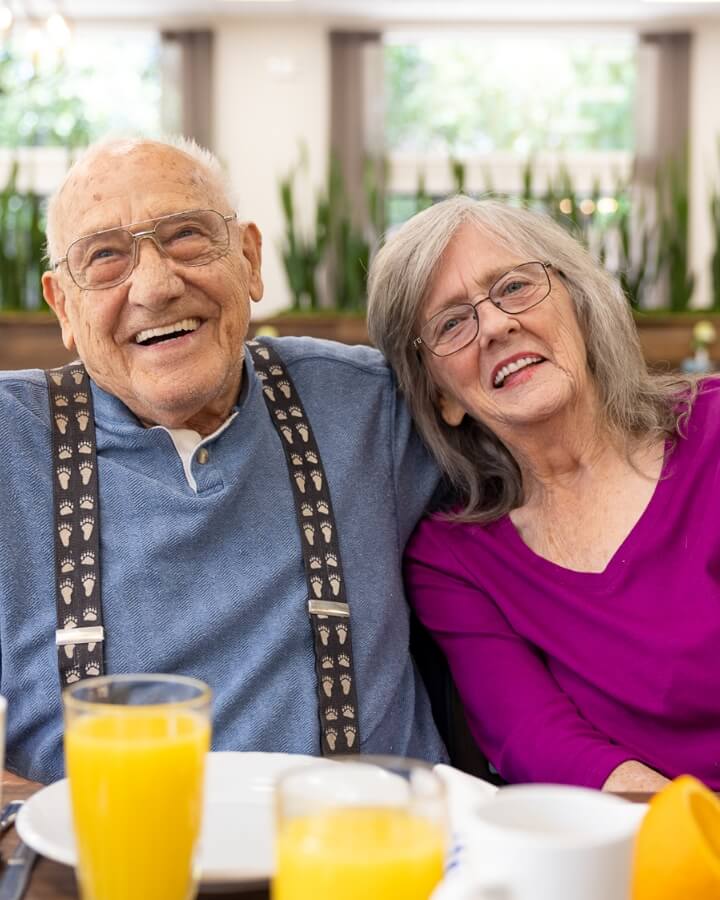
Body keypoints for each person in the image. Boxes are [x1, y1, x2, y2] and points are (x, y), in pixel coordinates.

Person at [0, 136, 446, 784]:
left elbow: (561, 471)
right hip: (100, 873)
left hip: (361, 857)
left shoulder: (371, 404)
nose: (154, 285)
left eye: (186, 236)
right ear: (63, 307)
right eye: (103, 257)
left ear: (250, 258)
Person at [367, 194, 720, 793]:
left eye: (513, 287)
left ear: (579, 306)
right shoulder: (454, 559)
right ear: (441, 398)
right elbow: (540, 741)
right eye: (452, 323)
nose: (497, 325)